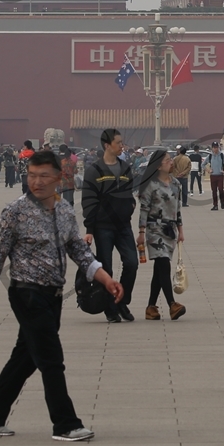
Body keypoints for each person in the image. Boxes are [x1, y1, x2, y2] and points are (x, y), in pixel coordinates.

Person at [0, 148, 123, 439]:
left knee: (26, 357)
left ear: (59, 177)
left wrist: (106, 279)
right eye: (31, 175)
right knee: (51, 359)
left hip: (53, 295)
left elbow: (79, 250)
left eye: (44, 176)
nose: (37, 182)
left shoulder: (65, 211)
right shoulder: (15, 211)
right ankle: (66, 423)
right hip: (26, 294)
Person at [81, 127, 138, 323]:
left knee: (132, 263)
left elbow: (130, 193)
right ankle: (110, 309)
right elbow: (88, 201)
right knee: (107, 268)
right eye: (118, 143)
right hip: (102, 227)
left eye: (122, 142)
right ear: (107, 145)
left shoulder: (126, 168)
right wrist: (89, 230)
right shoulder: (94, 171)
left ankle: (122, 301)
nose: (122, 146)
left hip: (123, 226)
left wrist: (131, 206)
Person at [135, 149, 187, 321]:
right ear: (158, 166)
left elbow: (177, 209)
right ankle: (172, 304)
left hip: (170, 230)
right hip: (154, 229)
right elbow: (144, 210)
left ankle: (151, 307)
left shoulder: (176, 184)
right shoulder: (150, 185)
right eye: (167, 160)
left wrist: (180, 230)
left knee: (159, 270)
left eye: (171, 159)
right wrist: (141, 232)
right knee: (164, 264)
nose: (171, 162)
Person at [207, 141, 224, 207]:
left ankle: (222, 202)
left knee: (221, 189)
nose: (215, 149)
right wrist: (208, 170)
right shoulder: (210, 156)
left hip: (220, 175)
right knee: (214, 191)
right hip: (213, 175)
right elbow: (202, 164)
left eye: (216, 147)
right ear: (212, 148)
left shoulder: (221, 155)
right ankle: (215, 205)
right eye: (214, 147)